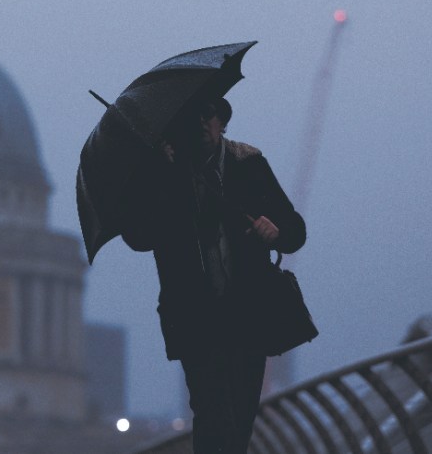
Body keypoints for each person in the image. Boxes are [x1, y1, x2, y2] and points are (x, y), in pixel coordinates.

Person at [119, 97, 305, 454]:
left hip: (248, 314)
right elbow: (137, 236)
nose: (203, 125)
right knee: (213, 414)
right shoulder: (164, 172)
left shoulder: (249, 164)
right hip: (195, 321)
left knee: (241, 416)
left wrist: (276, 231)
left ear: (222, 122)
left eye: (210, 116)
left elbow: (296, 230)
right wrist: (159, 174)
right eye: (193, 119)